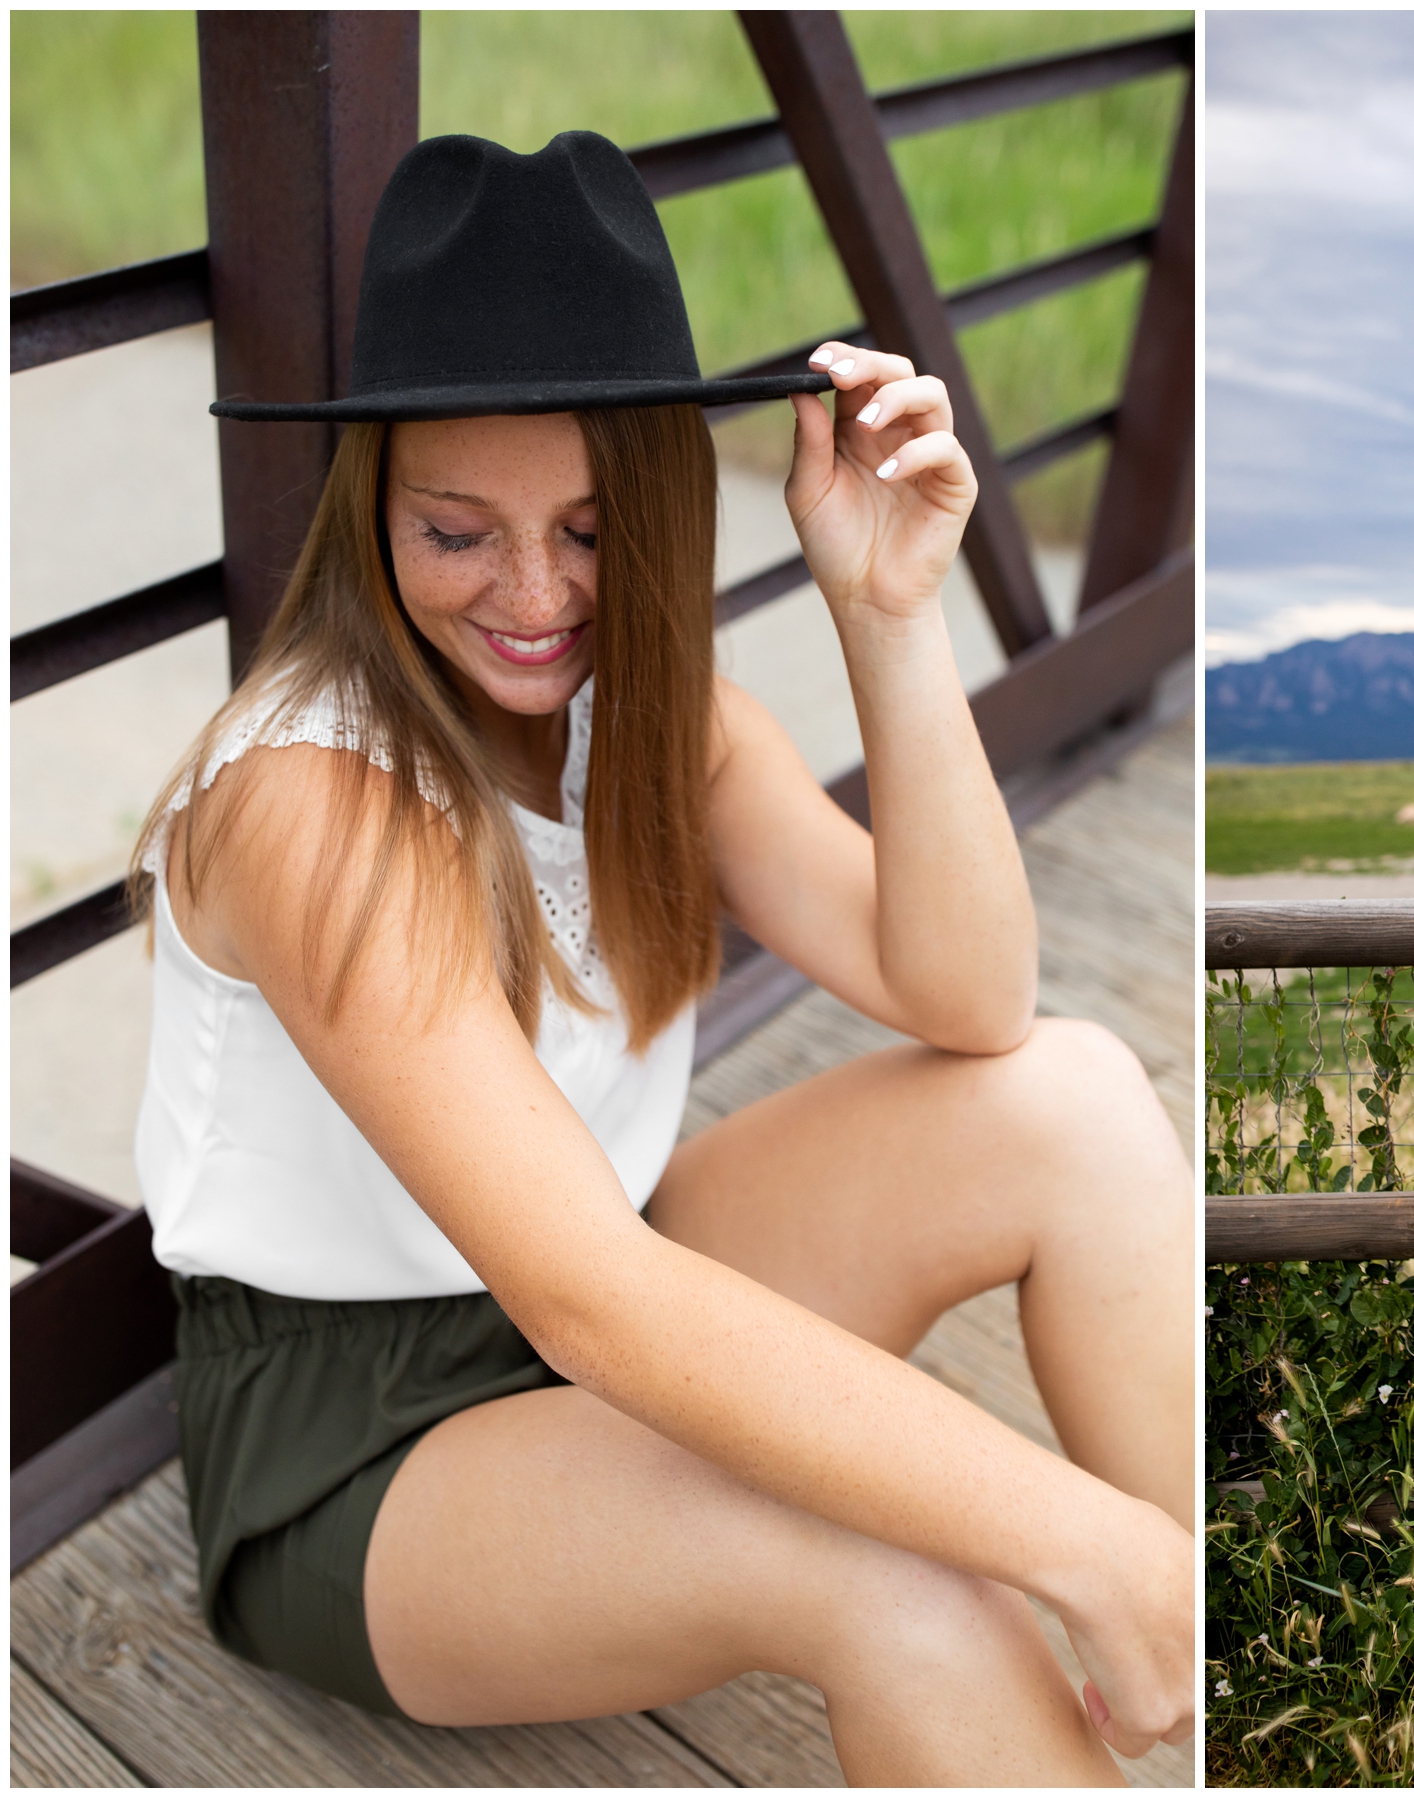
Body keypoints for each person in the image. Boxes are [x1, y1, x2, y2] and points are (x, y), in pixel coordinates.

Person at [132, 131, 1193, 1783]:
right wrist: (1084, 1539)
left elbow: (971, 995)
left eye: (587, 524)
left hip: (597, 1283)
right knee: (910, 1579)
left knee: (1077, 1096)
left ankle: (1221, 1681)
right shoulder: (307, 800)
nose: (535, 594)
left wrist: (890, 616)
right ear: (372, 507)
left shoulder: (660, 719)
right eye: (457, 530)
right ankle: (1158, 1590)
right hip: (361, 1448)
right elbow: (594, 1299)